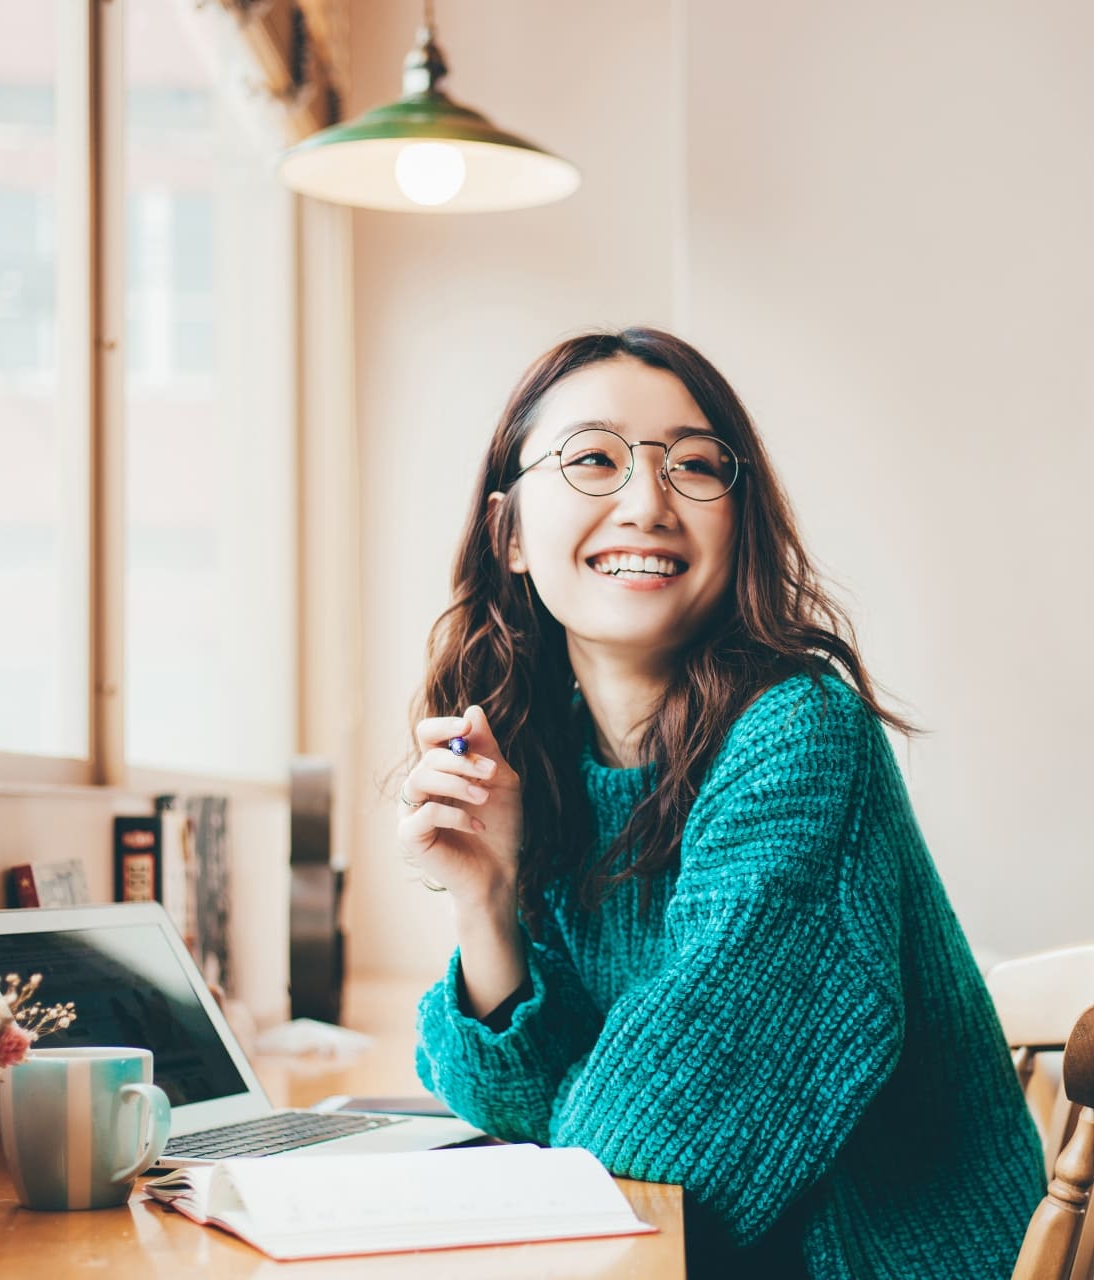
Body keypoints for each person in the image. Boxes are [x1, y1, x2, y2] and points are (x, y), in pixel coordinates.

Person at [401, 328, 1044, 1278]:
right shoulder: (544, 758)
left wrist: (569, 1110)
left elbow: (665, 1136)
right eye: (593, 460)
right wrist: (485, 899)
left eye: (695, 466)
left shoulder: (802, 733)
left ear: (737, 520)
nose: (648, 503)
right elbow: (511, 1102)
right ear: (509, 536)